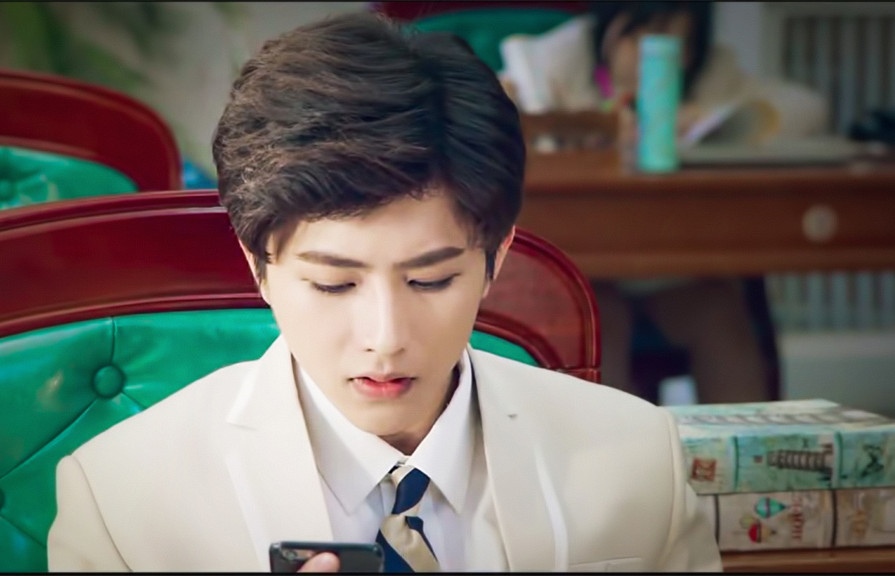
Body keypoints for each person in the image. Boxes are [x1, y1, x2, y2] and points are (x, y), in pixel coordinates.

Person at [46, 11, 722, 572]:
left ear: (496, 258)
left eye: (430, 279)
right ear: (259, 266)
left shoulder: (638, 461)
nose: (386, 337)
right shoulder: (122, 501)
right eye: (333, 283)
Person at [586, 0, 829, 405]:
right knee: (595, 326)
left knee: (721, 314)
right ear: (608, 30)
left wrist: (705, 115)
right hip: (588, 267)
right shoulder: (557, 61)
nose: (656, 56)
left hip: (672, 269)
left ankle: (748, 446)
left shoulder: (713, 74)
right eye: (641, 37)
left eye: (678, 43)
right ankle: (619, 444)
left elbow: (808, 108)